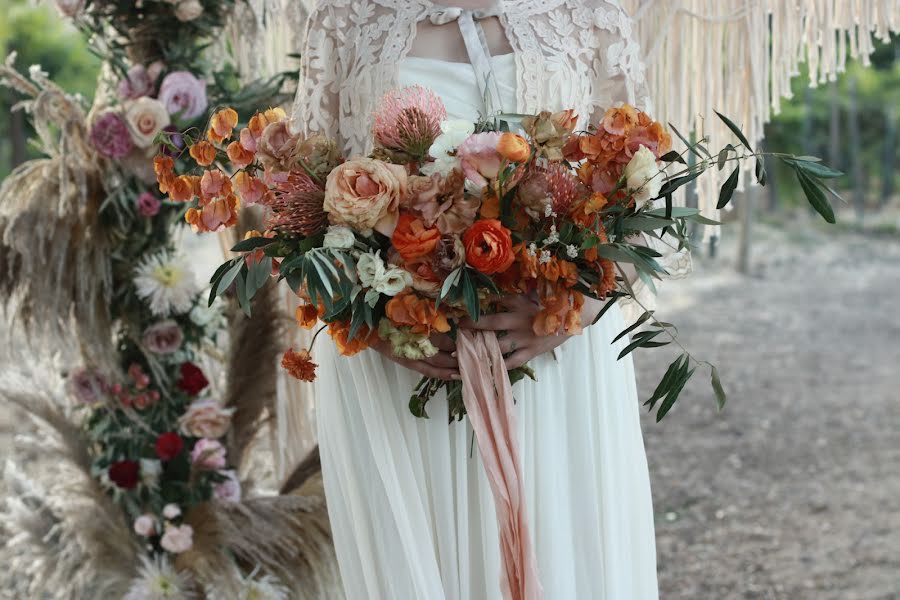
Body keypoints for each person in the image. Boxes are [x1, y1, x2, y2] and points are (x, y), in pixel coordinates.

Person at [291, 1, 689, 597]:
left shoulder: (588, 13)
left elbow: (642, 193)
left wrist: (571, 313)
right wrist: (374, 324)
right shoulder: (347, 18)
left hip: (555, 359)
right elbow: (294, 211)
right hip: (403, 360)